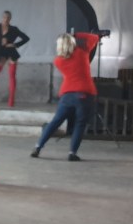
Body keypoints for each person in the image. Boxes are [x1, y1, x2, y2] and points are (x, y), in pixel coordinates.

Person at [31, 32, 99, 161]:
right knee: (80, 124)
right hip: (85, 92)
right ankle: (72, 153)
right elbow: (94, 37)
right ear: (73, 42)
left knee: (55, 122)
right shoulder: (82, 52)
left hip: (67, 94)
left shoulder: (58, 61)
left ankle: (38, 147)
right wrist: (76, 34)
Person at [0, 10, 29, 107]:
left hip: (11, 53)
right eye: (4, 17)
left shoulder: (14, 29)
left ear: (10, 19)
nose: (6, 19)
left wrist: (14, 45)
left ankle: (11, 102)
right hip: (0, 53)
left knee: (12, 76)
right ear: (2, 17)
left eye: (8, 18)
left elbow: (26, 38)